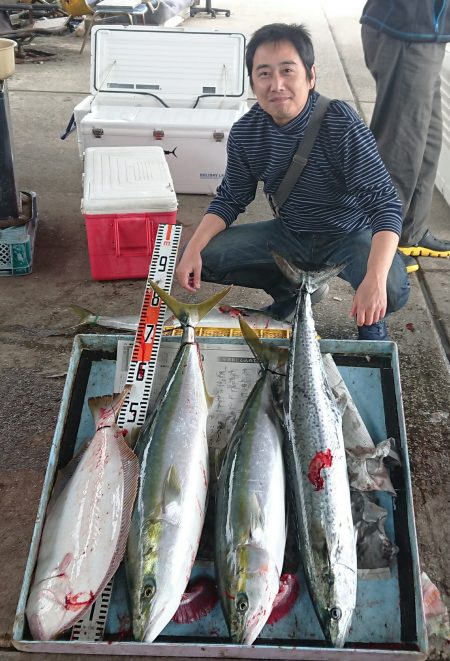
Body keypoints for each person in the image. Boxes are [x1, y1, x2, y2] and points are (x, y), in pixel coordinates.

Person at [176, 22, 410, 341]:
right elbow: (230, 199)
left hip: (349, 235)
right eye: (264, 73)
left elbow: (385, 205)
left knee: (393, 289)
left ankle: (371, 318)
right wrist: (193, 248)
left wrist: (375, 278)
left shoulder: (341, 122)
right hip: (290, 234)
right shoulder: (246, 132)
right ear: (253, 83)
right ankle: (294, 292)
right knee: (203, 257)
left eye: (287, 70)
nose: (277, 84)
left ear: (310, 76)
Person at [360, 0, 450, 274]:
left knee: (428, 144)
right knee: (400, 151)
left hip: (429, 35)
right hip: (405, 33)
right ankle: (379, 241)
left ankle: (411, 231)